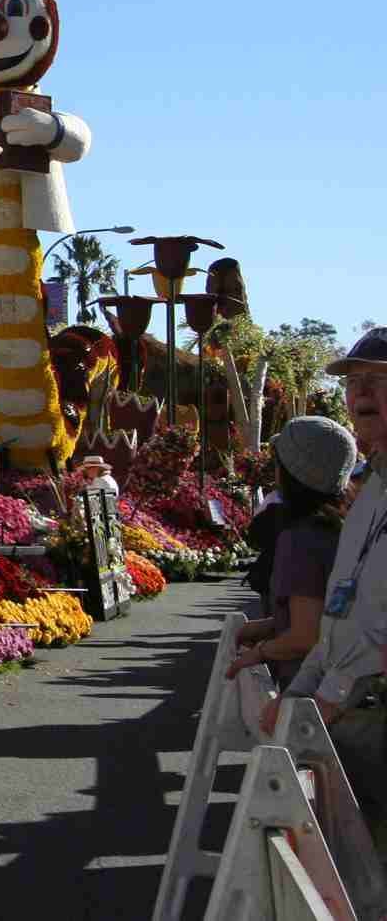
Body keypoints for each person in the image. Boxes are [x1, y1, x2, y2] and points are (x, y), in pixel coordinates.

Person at [261, 327, 387, 848]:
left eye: (378, 382)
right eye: (354, 382)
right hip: (346, 717)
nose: (360, 395)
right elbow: (340, 615)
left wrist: (326, 698)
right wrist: (299, 693)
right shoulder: (373, 487)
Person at [227, 417, 351, 688]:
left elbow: (305, 637)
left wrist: (258, 653)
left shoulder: (300, 539)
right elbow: (328, 616)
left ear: (288, 473)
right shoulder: (344, 527)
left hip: (307, 695)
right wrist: (272, 625)